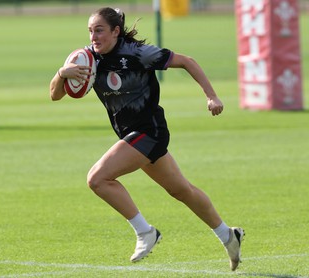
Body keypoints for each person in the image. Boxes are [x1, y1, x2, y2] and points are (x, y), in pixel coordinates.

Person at [49, 7, 244, 271]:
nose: (93, 36)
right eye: (90, 31)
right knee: (181, 190)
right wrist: (62, 73)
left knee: (97, 179)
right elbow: (55, 95)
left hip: (149, 131)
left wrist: (212, 96)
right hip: (131, 136)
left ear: (115, 32)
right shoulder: (86, 59)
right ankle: (228, 235)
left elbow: (187, 61)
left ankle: (145, 232)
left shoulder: (138, 53)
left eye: (99, 30)